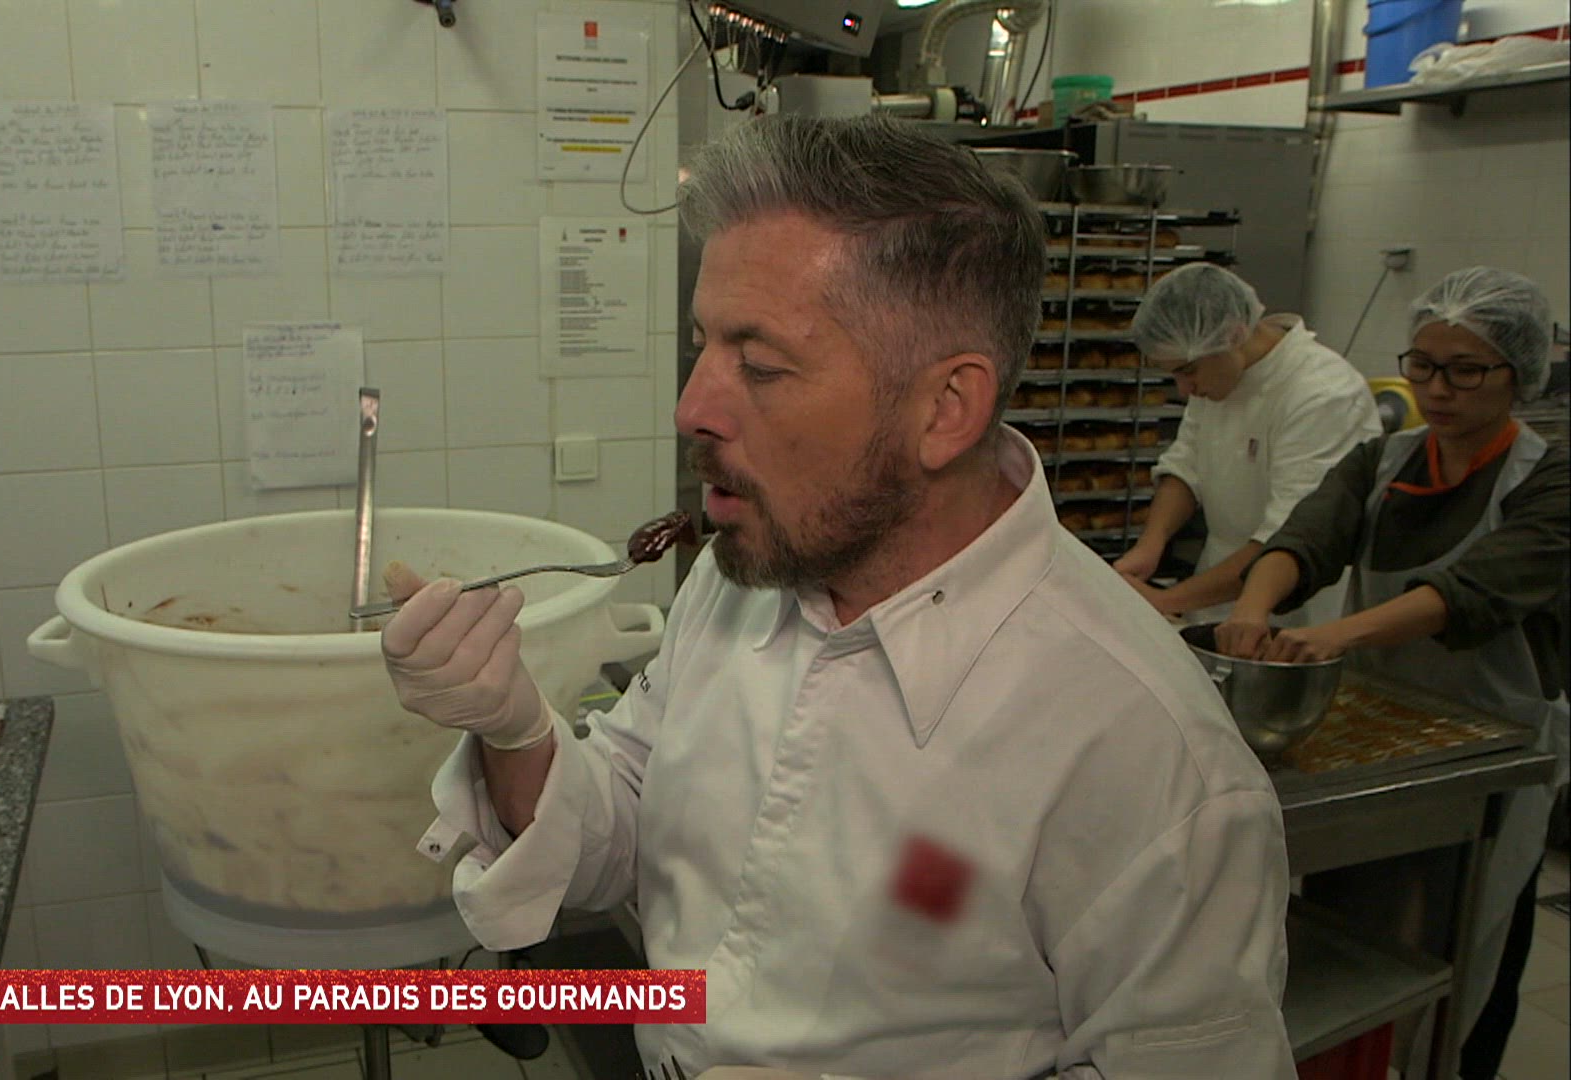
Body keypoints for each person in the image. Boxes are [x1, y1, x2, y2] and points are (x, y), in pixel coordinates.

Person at [379, 116, 1294, 1078]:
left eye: (760, 364)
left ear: (945, 409)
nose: (693, 406)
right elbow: (629, 826)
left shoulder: (1151, 758)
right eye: (703, 345)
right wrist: (517, 732)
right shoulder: (746, 583)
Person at [1218, 267, 1568, 1080]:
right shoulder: (1384, 461)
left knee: (1472, 951)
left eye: (1466, 370)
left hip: (1493, 749)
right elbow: (1308, 537)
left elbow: (1467, 593)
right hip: (1383, 731)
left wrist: (1333, 637)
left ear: (1520, 373)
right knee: (1357, 929)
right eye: (1423, 365)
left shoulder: (1549, 483)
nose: (1438, 389)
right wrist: (1257, 608)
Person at [1112, 263, 1382, 625]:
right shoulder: (1217, 373)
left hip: (1293, 612)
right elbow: (1186, 464)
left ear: (1234, 334)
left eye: (1187, 371)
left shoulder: (1324, 396)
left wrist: (1165, 600)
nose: (1184, 389)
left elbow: (1287, 538)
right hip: (1213, 592)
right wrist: (1151, 543)